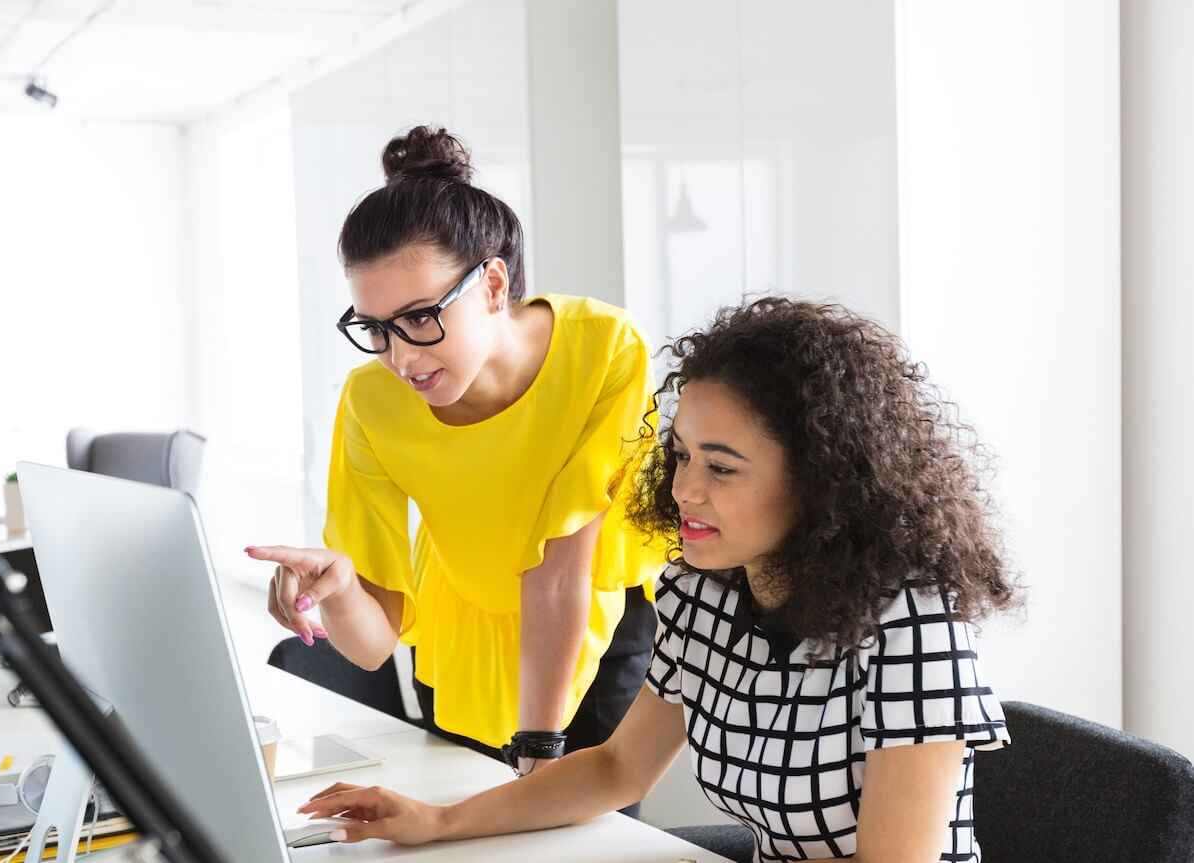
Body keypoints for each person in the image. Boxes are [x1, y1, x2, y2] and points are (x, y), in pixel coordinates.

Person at [294, 298, 1021, 862]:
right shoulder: (705, 590)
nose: (684, 491)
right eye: (681, 456)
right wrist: (437, 820)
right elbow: (616, 767)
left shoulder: (909, 621)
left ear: (821, 482)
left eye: (722, 467)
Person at [245, 126, 666, 785]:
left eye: (420, 317)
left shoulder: (605, 350)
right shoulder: (369, 402)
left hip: (590, 625)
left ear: (493, 285)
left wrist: (538, 750)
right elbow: (373, 641)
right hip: (461, 630)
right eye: (376, 328)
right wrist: (340, 586)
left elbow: (560, 576)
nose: (401, 356)